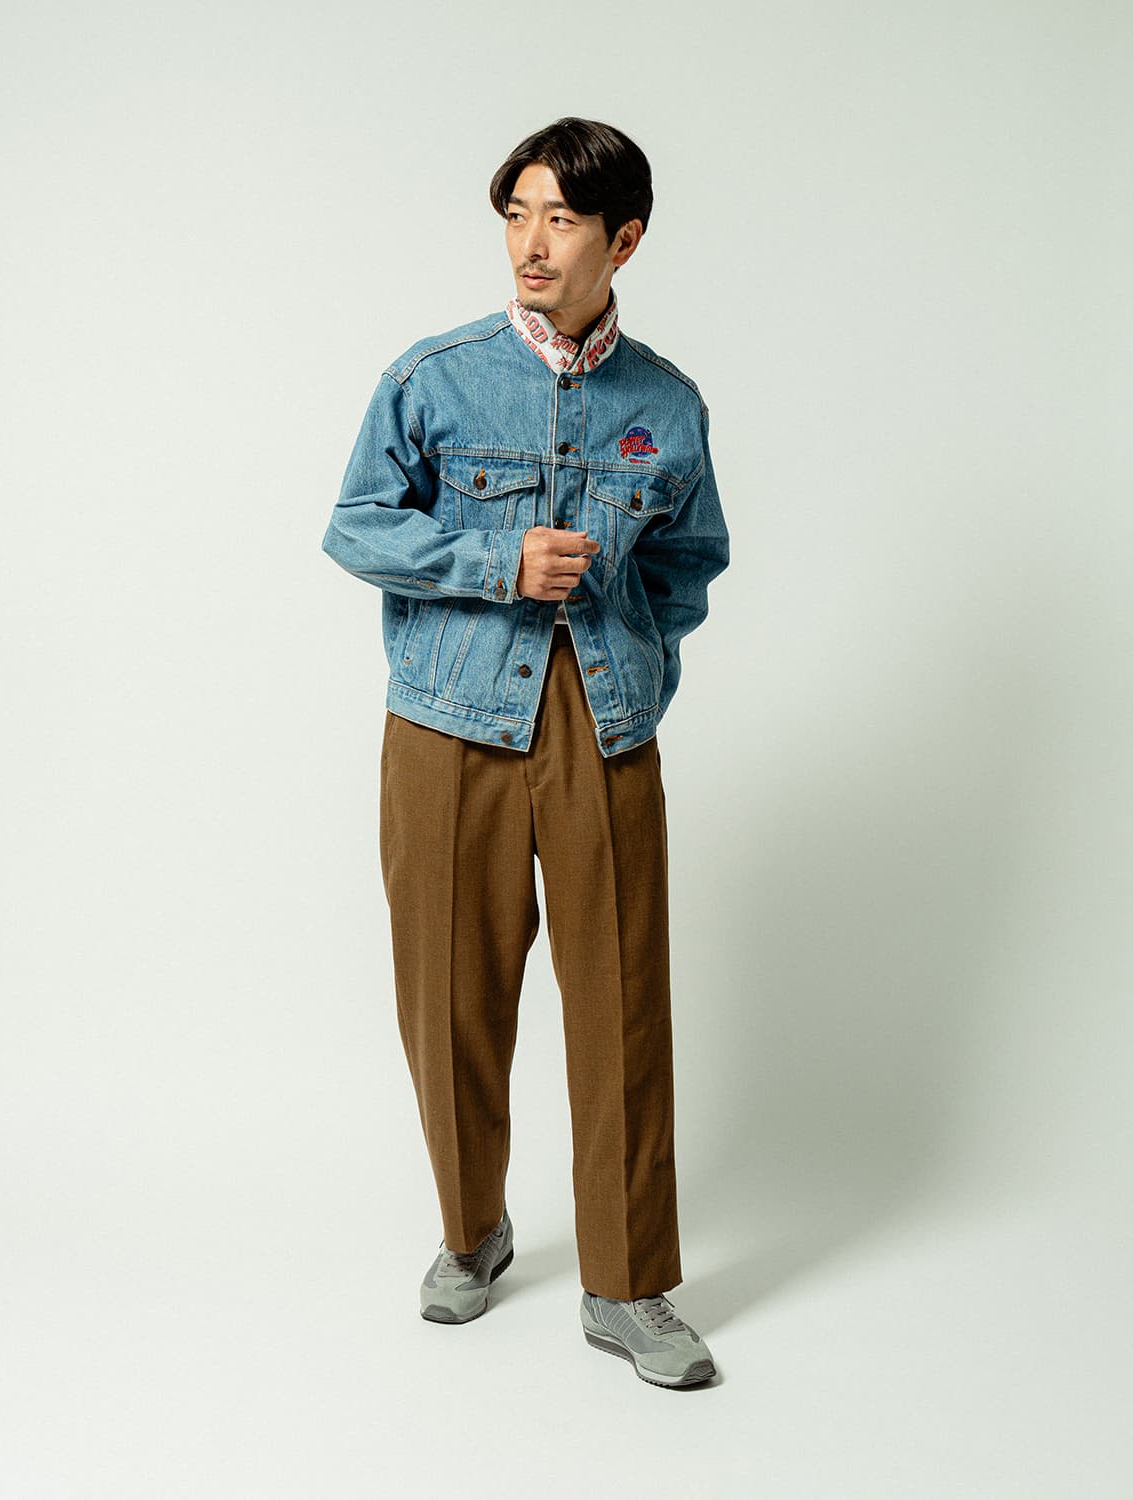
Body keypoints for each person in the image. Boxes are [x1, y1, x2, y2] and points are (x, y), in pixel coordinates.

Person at [321, 117, 729, 1389]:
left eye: (560, 218)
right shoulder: (433, 378)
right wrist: (498, 561)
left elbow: (689, 564)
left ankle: (630, 1284)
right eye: (516, 215)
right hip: (448, 724)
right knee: (448, 992)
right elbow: (356, 526)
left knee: (622, 1004)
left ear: (624, 240)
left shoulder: (665, 403)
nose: (531, 243)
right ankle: (471, 1230)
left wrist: (637, 666)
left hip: (602, 725)